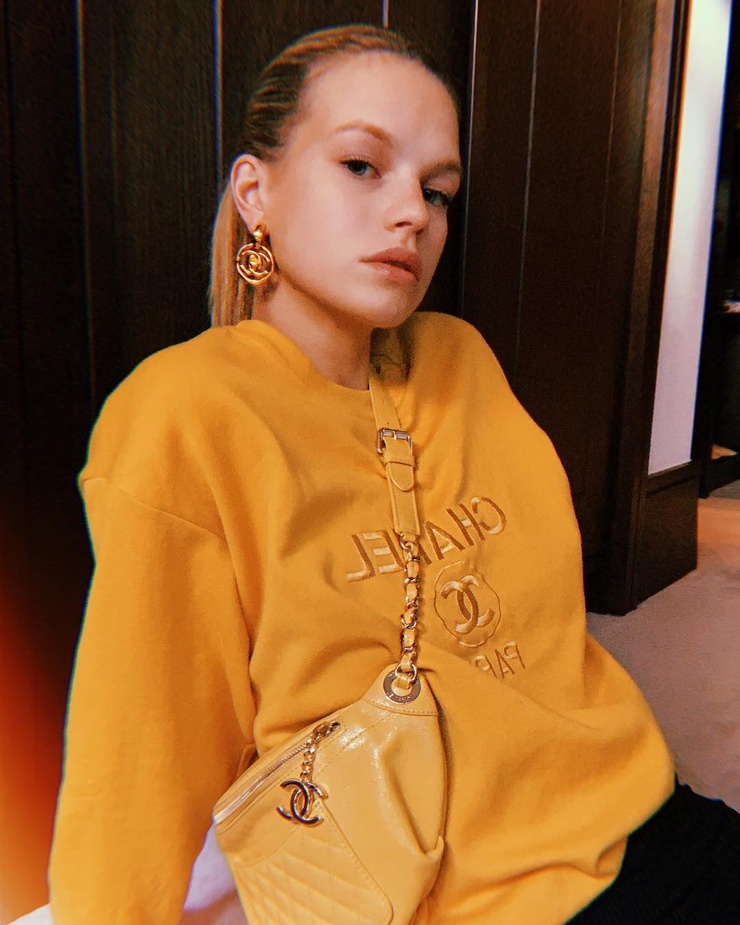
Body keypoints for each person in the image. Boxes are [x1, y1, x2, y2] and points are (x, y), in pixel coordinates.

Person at [44, 23, 739, 925]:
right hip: (459, 899)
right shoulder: (184, 414)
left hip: (637, 806)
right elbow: (141, 748)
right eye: (362, 166)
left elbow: (545, 643)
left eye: (437, 190)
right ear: (255, 193)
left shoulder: (460, 360)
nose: (413, 212)